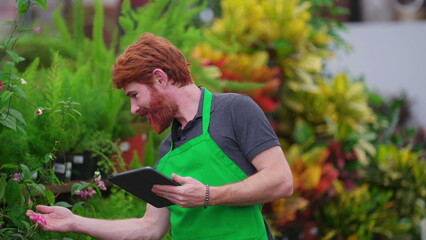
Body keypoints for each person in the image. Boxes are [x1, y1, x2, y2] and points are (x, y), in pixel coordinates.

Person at [27, 33, 293, 240]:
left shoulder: (235, 110)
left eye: (135, 95)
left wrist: (208, 195)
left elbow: (281, 181)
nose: (133, 109)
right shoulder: (168, 151)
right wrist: (75, 222)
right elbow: (149, 229)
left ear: (160, 78)